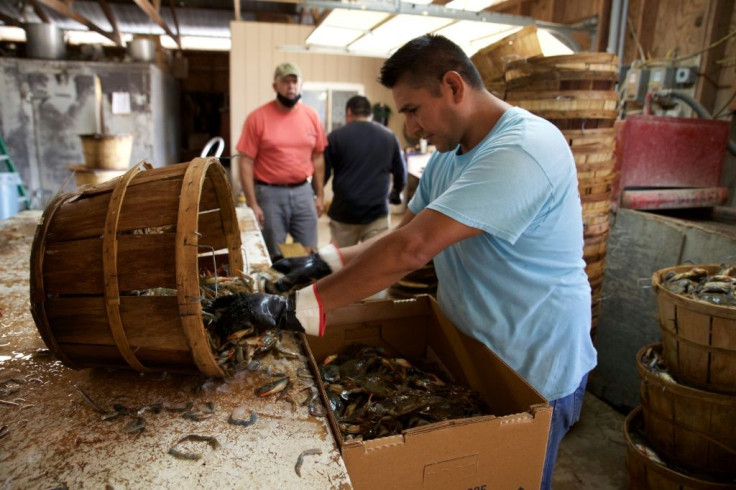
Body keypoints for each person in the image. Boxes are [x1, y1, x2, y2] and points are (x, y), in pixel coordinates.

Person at [226, 35, 597, 489]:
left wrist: (298, 308)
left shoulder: (523, 148)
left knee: (512, 478)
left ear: (453, 86)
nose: (412, 128)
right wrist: (322, 261)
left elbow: (412, 250)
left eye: (413, 110)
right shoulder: (448, 159)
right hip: (474, 346)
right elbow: (400, 235)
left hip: (533, 363)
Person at [235, 61, 328, 260]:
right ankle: (276, 291)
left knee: (309, 252)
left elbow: (318, 157)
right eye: (285, 82)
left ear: (301, 85)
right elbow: (245, 161)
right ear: (275, 86)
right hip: (269, 194)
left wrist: (319, 195)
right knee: (273, 254)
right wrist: (253, 203)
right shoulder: (257, 118)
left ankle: (304, 290)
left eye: (295, 82)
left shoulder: (311, 117)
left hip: (304, 192)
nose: (291, 87)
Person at [324, 95, 407, 247]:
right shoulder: (389, 136)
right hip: (377, 212)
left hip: (344, 213)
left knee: (341, 262)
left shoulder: (335, 137)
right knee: (375, 261)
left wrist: (315, 195)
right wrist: (396, 193)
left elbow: (323, 174)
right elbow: (401, 173)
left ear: (349, 112)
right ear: (371, 114)